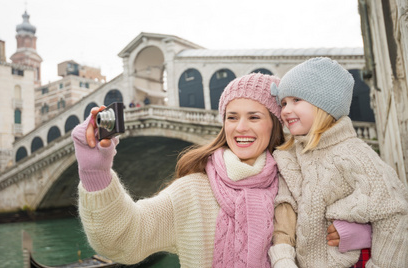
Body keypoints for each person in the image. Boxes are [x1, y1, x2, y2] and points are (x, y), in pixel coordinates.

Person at [73, 72, 368, 267]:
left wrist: (357, 236)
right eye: (231, 117)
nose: (240, 128)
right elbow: (123, 239)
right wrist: (95, 173)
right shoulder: (193, 191)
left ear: (275, 123)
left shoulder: (300, 181)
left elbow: (382, 220)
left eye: (254, 117)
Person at [270, 57, 408, 267]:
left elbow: (394, 211)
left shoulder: (354, 153)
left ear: (324, 106)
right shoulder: (287, 156)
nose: (286, 110)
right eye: (283, 103)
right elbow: (284, 212)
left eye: (296, 100)